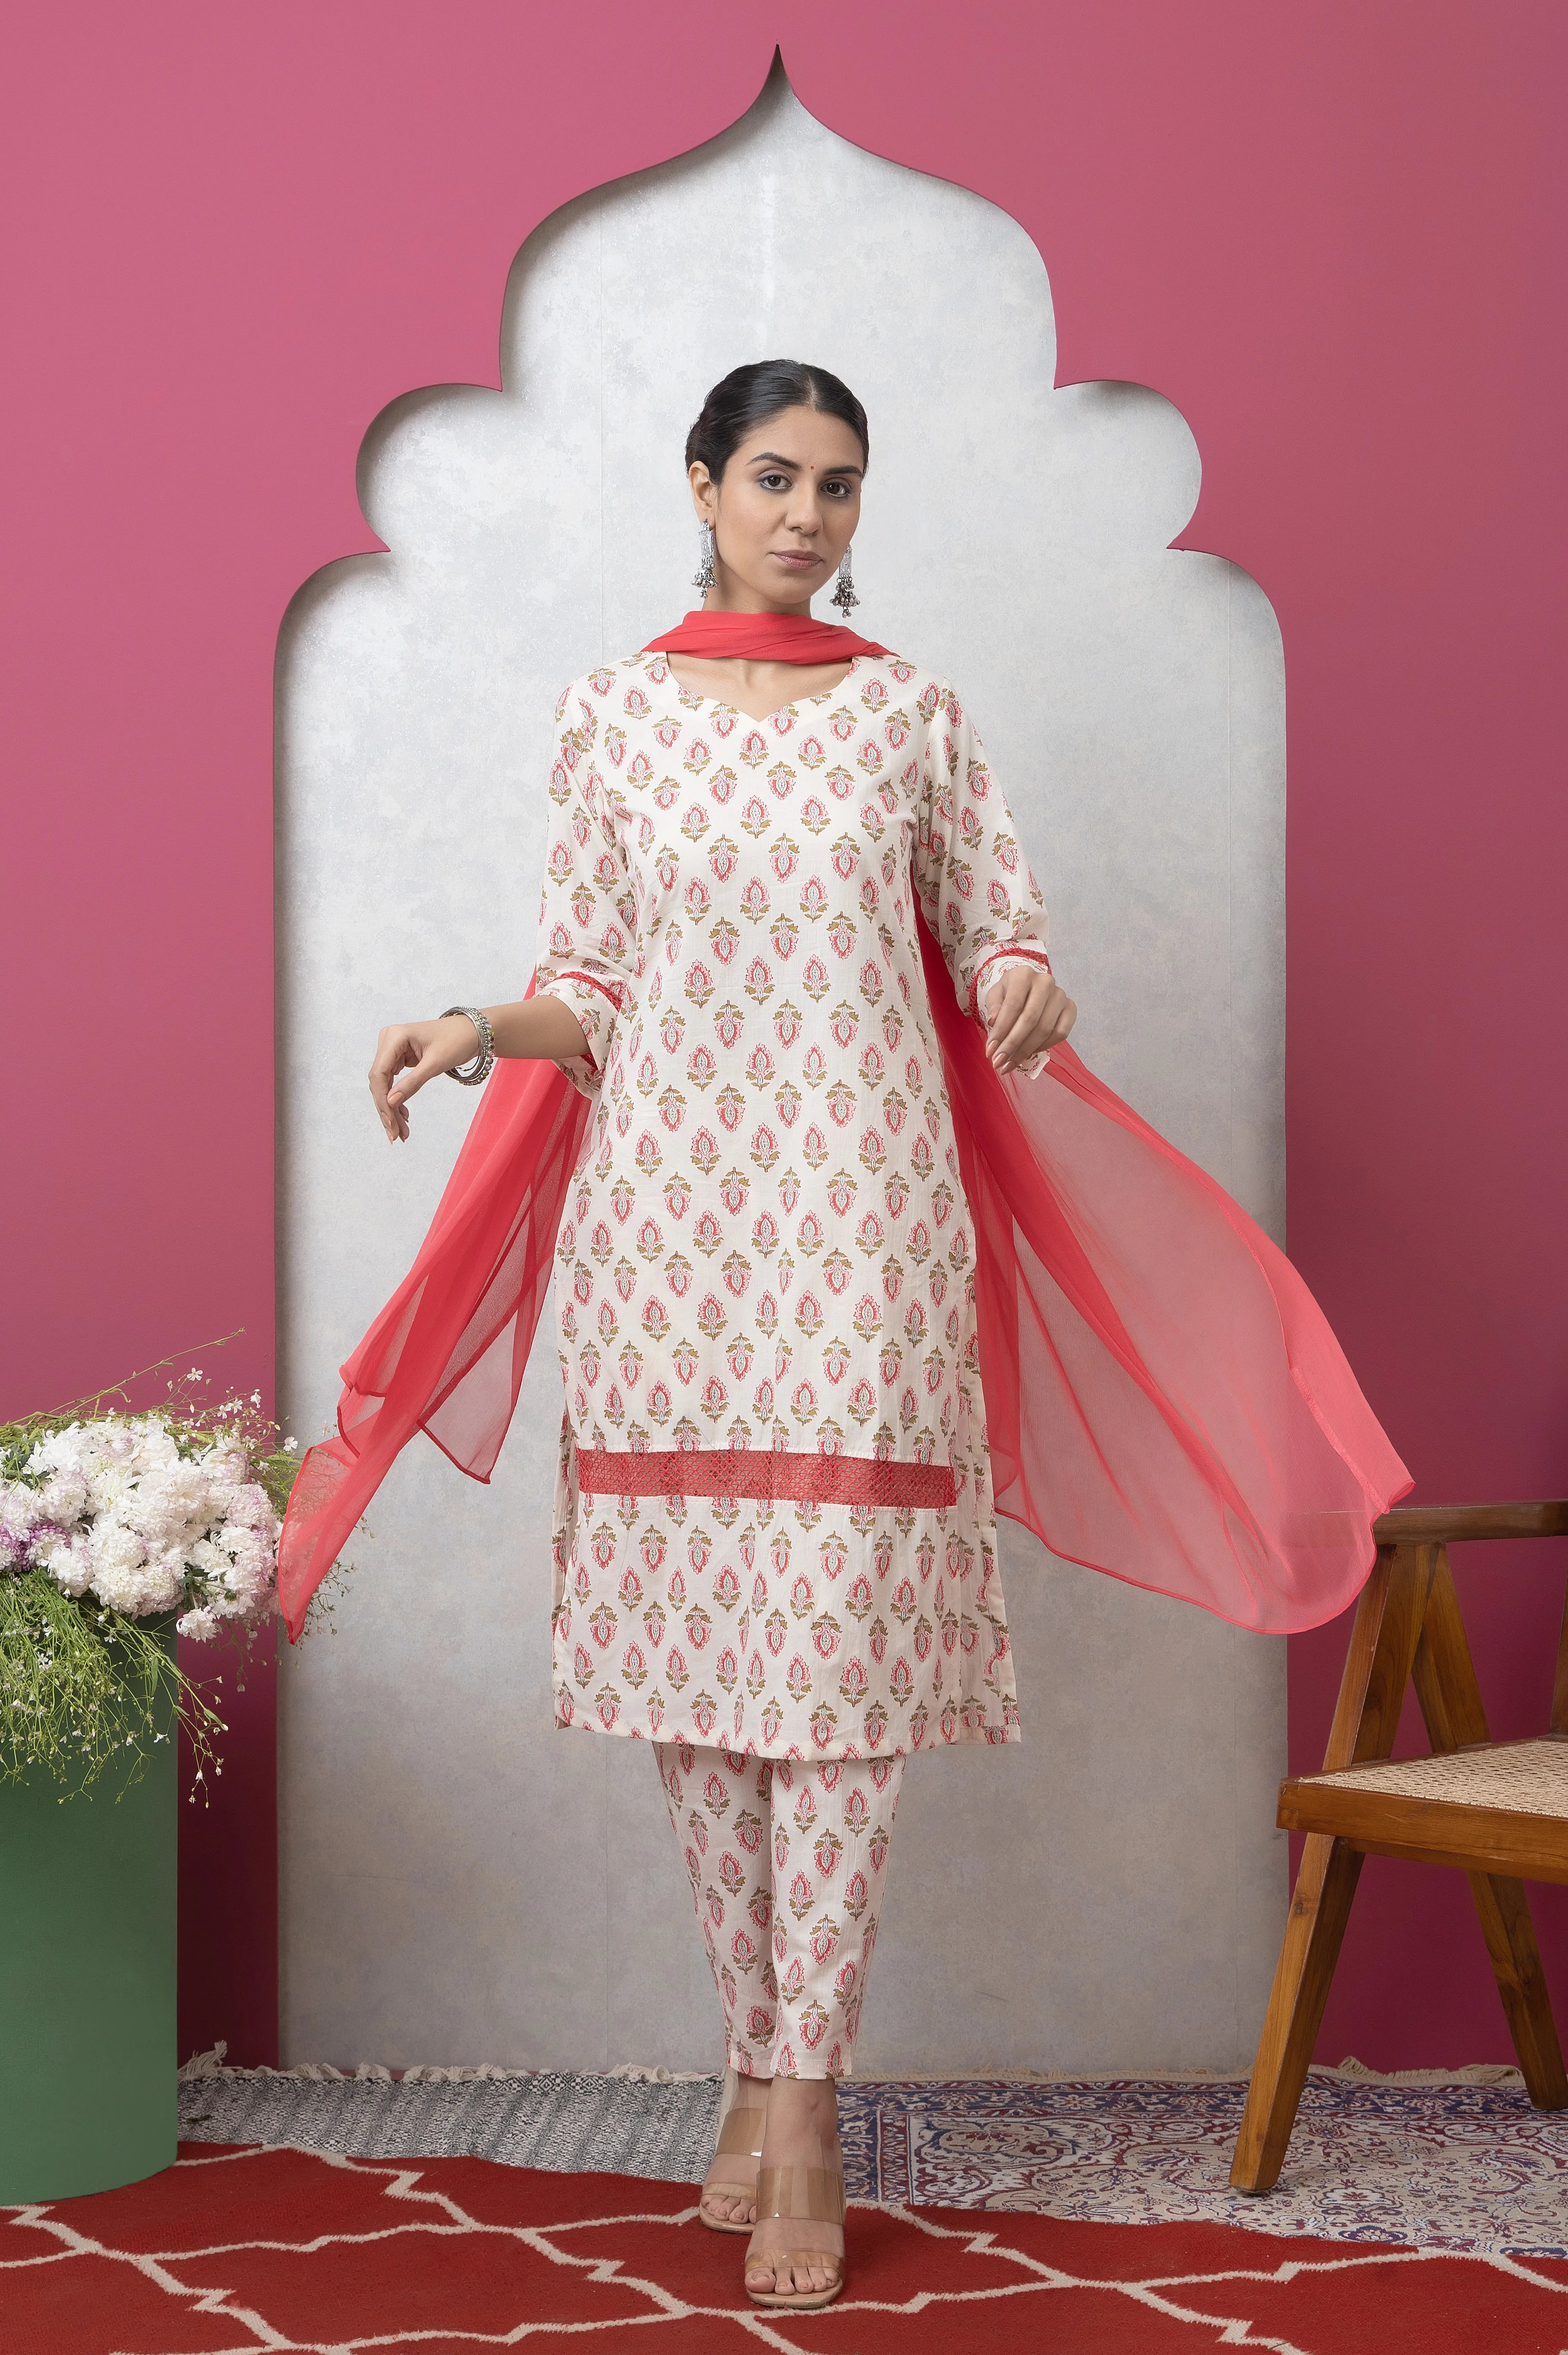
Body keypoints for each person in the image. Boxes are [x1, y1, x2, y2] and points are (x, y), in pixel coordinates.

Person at [365, 361, 1076, 2312]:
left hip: (863, 1233)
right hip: (666, 1233)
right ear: (701, 482)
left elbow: (1002, 925)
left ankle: (813, 2105)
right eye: (775, 477)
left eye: (841, 486)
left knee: (831, 1676)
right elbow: (584, 976)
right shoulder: (611, 713)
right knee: (702, 1678)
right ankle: (750, 2057)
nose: (808, 515)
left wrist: (1023, 977)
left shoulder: (911, 719)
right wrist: (466, 1024)